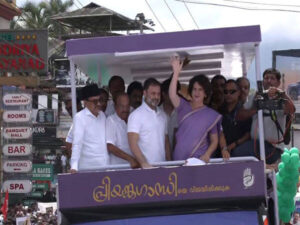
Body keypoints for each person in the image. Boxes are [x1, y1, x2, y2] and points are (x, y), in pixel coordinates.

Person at [235, 68, 295, 165]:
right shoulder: (255, 97)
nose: (268, 81)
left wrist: (281, 93)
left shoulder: (282, 99)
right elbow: (239, 116)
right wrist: (256, 108)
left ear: (278, 82)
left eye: (272, 78)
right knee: (237, 155)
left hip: (273, 147)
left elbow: (292, 110)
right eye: (266, 78)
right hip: (255, 144)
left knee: (237, 154)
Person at [170, 56, 222, 162]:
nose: (196, 93)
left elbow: (214, 140)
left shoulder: (211, 115)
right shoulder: (183, 106)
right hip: (179, 159)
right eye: (194, 89)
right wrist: (176, 73)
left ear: (205, 93)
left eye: (200, 90)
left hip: (198, 160)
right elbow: (172, 94)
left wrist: (207, 155)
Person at [128, 78, 170, 168]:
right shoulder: (136, 115)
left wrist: (169, 163)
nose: (156, 97)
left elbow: (166, 141)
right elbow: (132, 143)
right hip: (145, 169)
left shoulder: (163, 115)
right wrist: (144, 163)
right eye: (153, 94)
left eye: (158, 94)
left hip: (163, 167)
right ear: (145, 93)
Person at [70, 84, 109, 172]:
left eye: (100, 100)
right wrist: (74, 166)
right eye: (95, 101)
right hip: (88, 168)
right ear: (85, 102)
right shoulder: (80, 117)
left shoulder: (102, 115)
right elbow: (77, 143)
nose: (99, 104)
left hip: (104, 166)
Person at [220, 80, 252, 160]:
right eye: (225, 92)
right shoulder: (219, 111)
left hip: (240, 151)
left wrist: (235, 144)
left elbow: (248, 134)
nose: (228, 94)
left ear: (239, 93)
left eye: (232, 91)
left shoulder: (245, 110)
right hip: (222, 151)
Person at [106, 92, 139, 168]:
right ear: (115, 106)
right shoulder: (111, 121)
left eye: (127, 106)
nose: (125, 109)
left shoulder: (132, 120)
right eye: (122, 106)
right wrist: (130, 159)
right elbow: (110, 146)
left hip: (133, 167)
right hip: (118, 169)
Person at [160, 78, 180, 151]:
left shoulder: (181, 112)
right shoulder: (156, 113)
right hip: (160, 157)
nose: (174, 96)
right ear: (164, 94)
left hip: (178, 157)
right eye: (171, 93)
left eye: (176, 93)